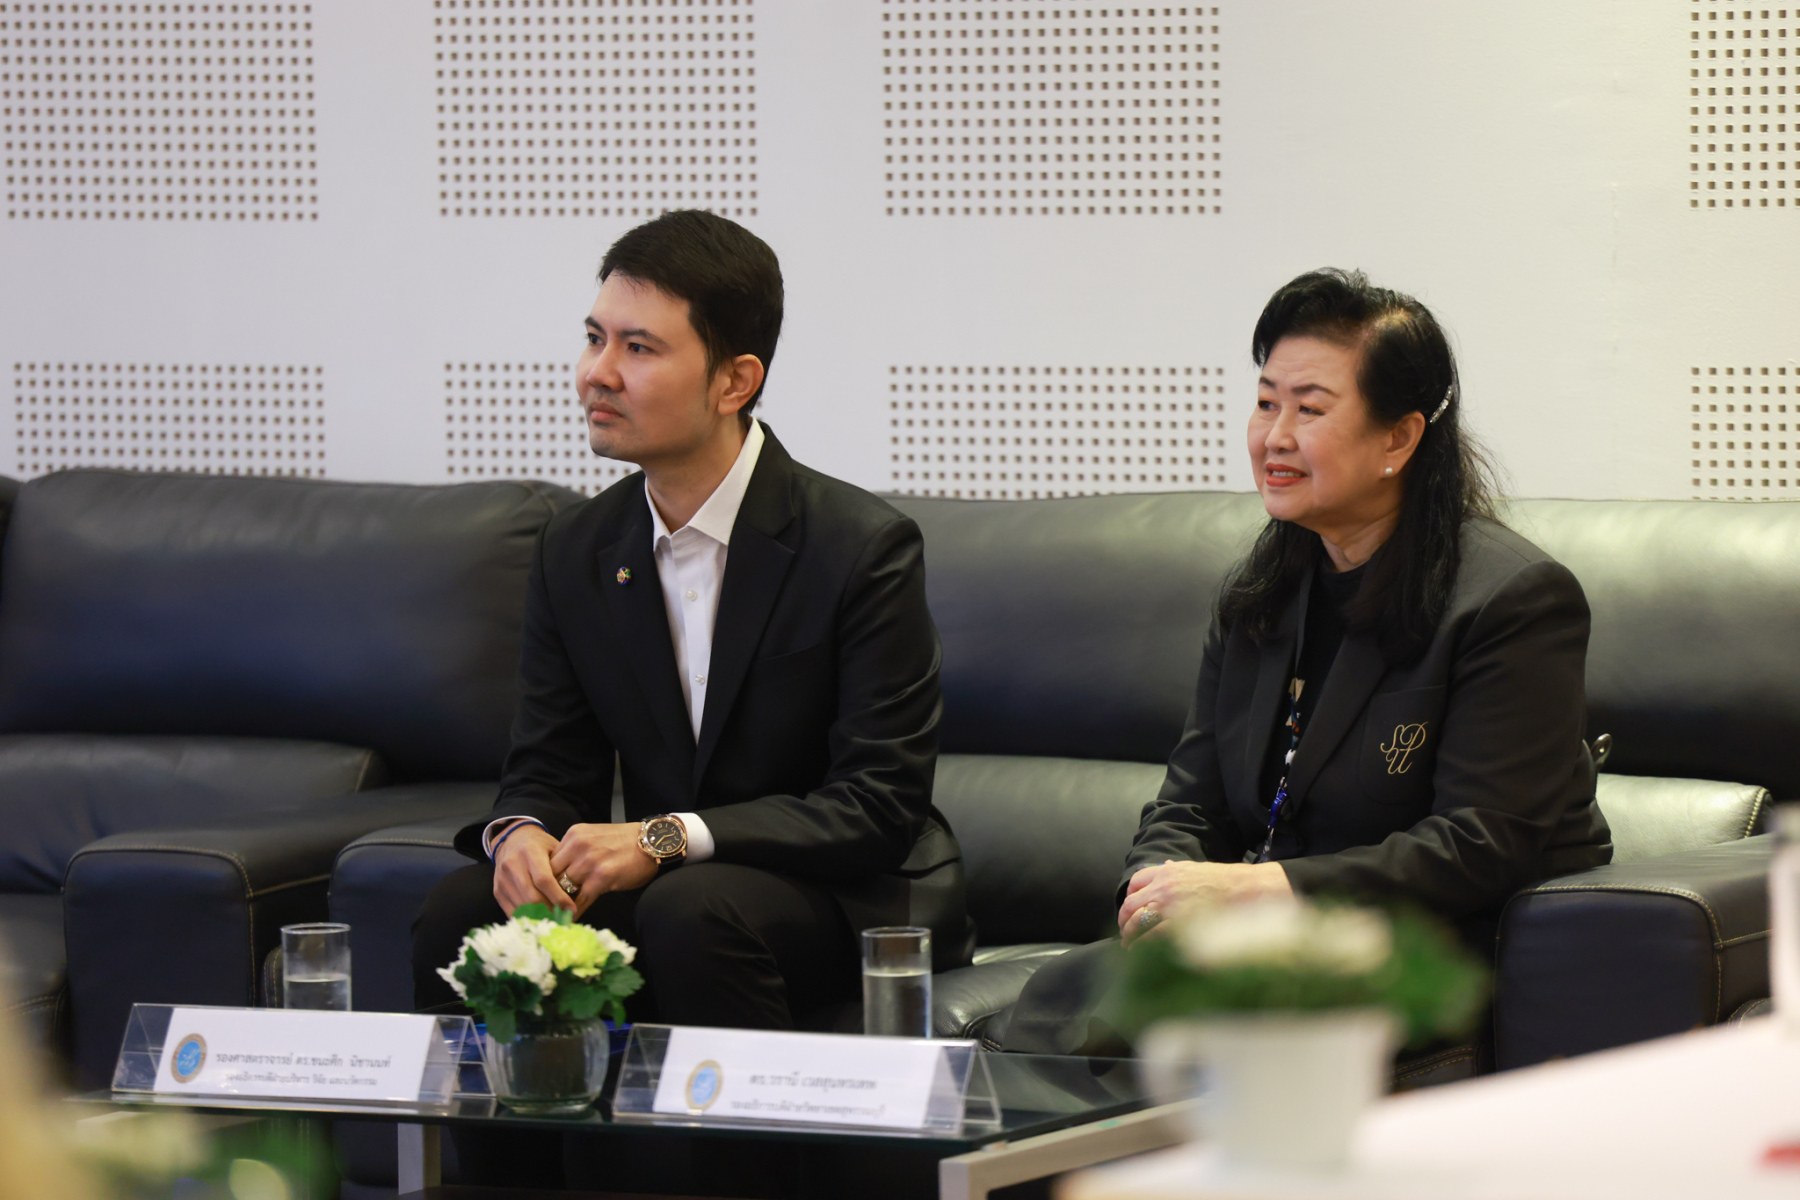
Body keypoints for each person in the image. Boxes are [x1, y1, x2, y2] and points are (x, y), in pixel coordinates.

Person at [411, 210, 967, 1188]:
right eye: (594, 338)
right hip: (680, 889)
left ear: (734, 381)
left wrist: (664, 837)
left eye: (638, 348)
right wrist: (520, 836)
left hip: (847, 889)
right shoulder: (579, 549)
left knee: (691, 910)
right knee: (464, 912)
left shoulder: (858, 547)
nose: (596, 373)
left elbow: (876, 805)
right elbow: (549, 761)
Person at [999, 268, 1612, 1058]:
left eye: (1310, 409)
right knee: (1059, 998)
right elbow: (1190, 804)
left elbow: (1479, 843)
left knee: (1152, 1031)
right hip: (1276, 941)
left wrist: (1259, 889)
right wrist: (1154, 898)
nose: (1275, 437)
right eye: (1266, 403)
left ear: (1399, 439)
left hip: (1430, 951)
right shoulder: (1261, 593)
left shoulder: (1511, 600)